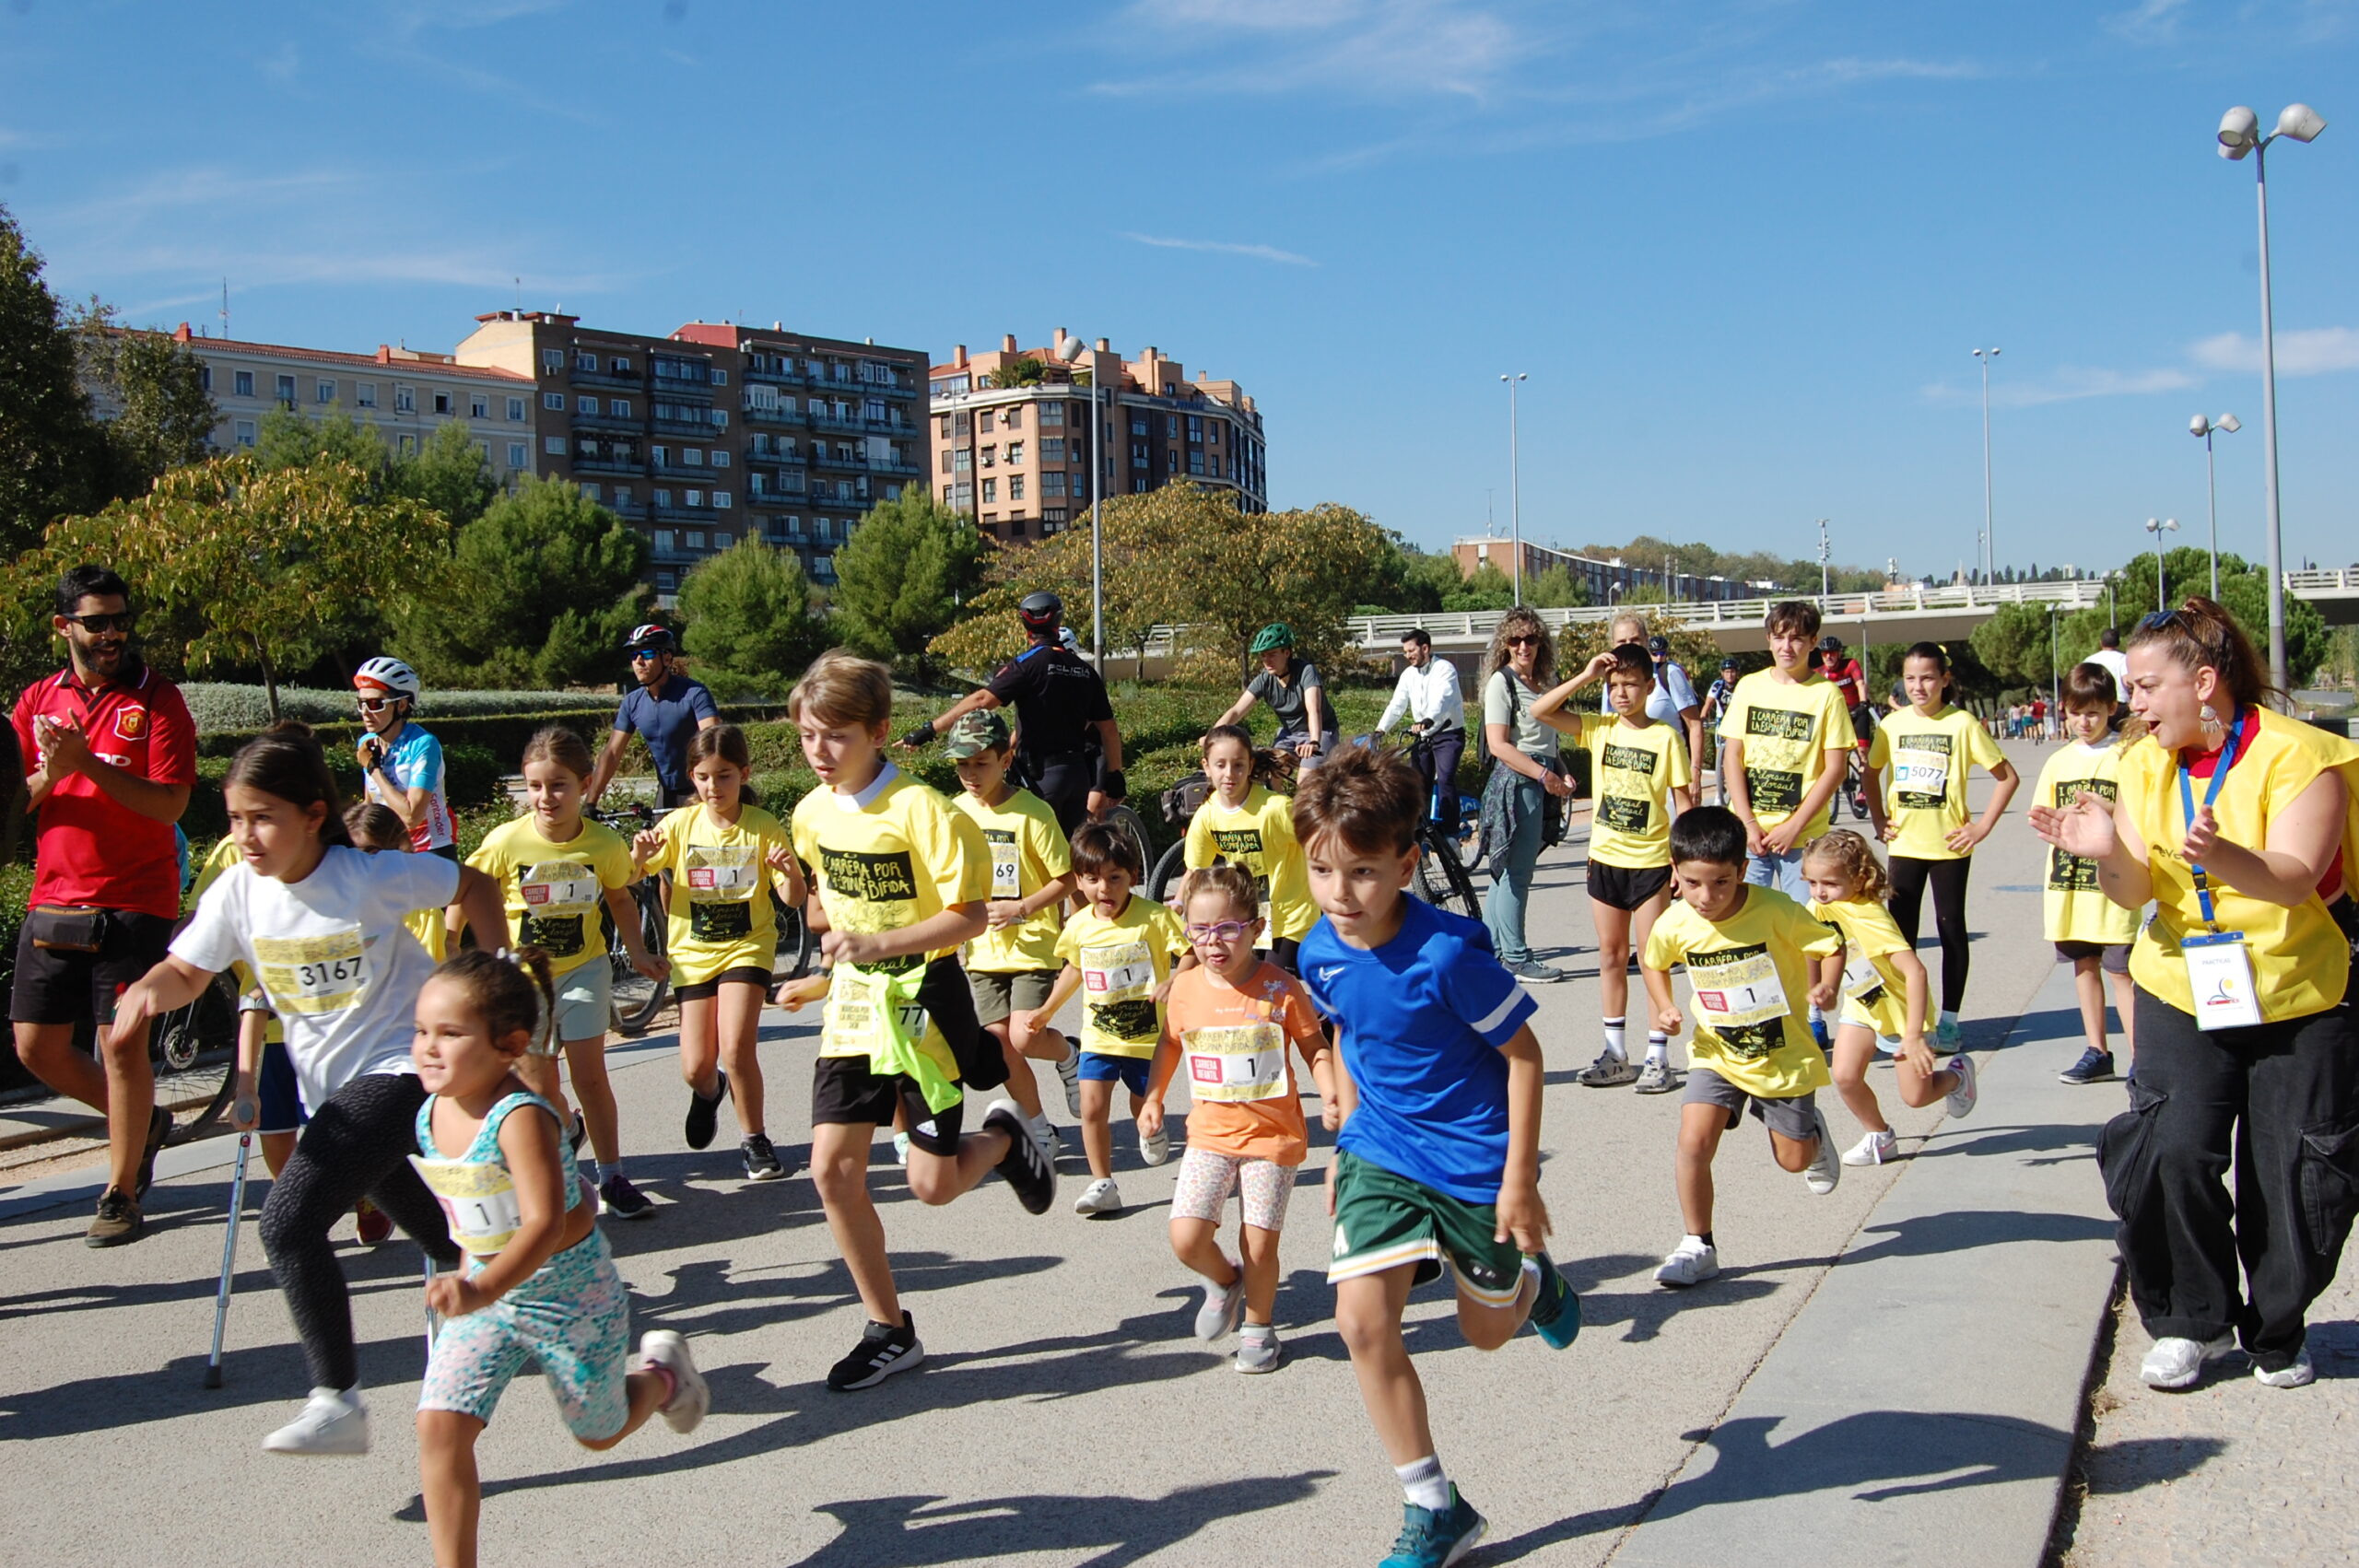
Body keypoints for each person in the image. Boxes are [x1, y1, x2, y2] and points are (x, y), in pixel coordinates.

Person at [109, 723, 509, 1453]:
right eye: (235, 818)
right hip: (337, 1095)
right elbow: (188, 972)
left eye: (263, 817)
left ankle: (337, 1401)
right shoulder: (239, 891)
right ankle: (539, 1287)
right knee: (449, 1239)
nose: (246, 835)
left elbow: (475, 885)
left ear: (313, 814)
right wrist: (144, 993)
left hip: (404, 1070)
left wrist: (499, 975)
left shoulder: (366, 876)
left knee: (287, 1224)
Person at [2033, 599, 2359, 1391]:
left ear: (2204, 682)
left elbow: (2293, 880)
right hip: (2182, 982)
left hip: (2300, 992)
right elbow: (2136, 889)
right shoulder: (2142, 764)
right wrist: (2105, 852)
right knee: (2168, 1148)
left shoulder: (2302, 756)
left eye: (2147, 688)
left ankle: (2277, 1329)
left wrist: (2224, 856)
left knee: (2295, 1173)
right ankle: (2191, 1320)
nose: (2134, 705)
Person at [1296, 743, 1578, 1568]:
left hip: (1474, 1163)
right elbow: (1350, 1034)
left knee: (1483, 1333)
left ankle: (1533, 1284)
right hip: (1381, 1149)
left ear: (1407, 863)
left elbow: (1525, 1058)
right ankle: (1433, 1504)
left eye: (1362, 873)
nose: (1340, 894)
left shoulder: (1447, 957)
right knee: (1360, 1322)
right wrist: (1346, 1140)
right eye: (1321, 871)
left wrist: (1519, 1182)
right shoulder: (1317, 949)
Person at [788, 649, 1055, 1392]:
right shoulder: (810, 814)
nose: (819, 751)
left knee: (933, 1186)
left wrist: (879, 944)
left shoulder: (924, 812)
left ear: (878, 732)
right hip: (853, 1007)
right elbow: (827, 905)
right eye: (807, 735)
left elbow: (968, 917)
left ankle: (1003, 1141)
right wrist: (822, 969)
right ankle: (890, 1329)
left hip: (924, 1004)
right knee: (831, 1171)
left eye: (836, 736)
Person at [412, 948, 707, 1568]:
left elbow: (546, 1222)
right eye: (421, 1031)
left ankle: (663, 1378)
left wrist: (479, 1288)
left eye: (450, 1034)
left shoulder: (519, 1117)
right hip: (487, 1295)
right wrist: (470, 1279)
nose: (429, 1048)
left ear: (509, 1044)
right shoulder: (428, 1113)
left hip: (570, 1296)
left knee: (598, 1432)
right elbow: (469, 1212)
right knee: (439, 1426)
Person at [11, 564, 196, 1246]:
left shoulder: (158, 699)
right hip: (55, 899)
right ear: (64, 627)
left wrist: (86, 765)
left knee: (121, 1045)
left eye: (120, 620)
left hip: (135, 901)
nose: (113, 633)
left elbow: (170, 803)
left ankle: (120, 1194)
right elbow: (12, 803)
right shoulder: (37, 700)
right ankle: (143, 1124)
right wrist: (52, 772)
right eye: (97, 623)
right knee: (36, 1048)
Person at [1137, 863, 1338, 1374]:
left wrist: (1331, 1091)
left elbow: (1314, 1045)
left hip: (1273, 1137)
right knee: (1186, 1237)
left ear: (1257, 928)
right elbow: (1170, 1043)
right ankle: (1226, 1281)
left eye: (1227, 928)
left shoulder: (1281, 988)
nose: (1213, 942)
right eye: (1200, 930)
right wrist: (1154, 1097)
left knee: (1260, 1243)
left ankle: (1258, 1326)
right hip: (1210, 1134)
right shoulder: (1185, 989)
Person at [1641, 805, 1848, 1289]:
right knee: (1693, 1141)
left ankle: (1812, 1135)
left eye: (1720, 883)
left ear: (1741, 871)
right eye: (1693, 883)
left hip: (1781, 1057)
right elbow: (1654, 961)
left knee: (1793, 1160)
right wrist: (1664, 1005)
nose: (1706, 896)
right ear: (1675, 872)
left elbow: (1831, 945)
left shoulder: (1777, 911)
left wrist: (1828, 987)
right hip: (1715, 1053)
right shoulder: (1675, 922)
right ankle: (1698, 1244)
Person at [467, 727, 668, 1216]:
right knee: (539, 1086)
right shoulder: (505, 841)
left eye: (558, 785)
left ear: (585, 784)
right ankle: (566, 1138)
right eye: (535, 786)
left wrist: (639, 953)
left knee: (590, 1075)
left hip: (585, 970)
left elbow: (620, 897)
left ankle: (612, 1176)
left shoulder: (602, 844)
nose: (545, 797)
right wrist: (456, 953)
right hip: (523, 981)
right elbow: (469, 890)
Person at [630, 724, 804, 1183]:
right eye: (704, 777)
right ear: (692, 777)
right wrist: (638, 856)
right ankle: (710, 1092)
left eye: (724, 776)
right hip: (693, 953)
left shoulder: (762, 825)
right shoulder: (679, 825)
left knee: (736, 1046)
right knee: (695, 1068)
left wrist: (790, 873)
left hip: (748, 946)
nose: (714, 787)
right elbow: (630, 877)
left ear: (743, 774)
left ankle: (755, 1139)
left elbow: (792, 898)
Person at [1532, 644, 1695, 1093]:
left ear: (1650, 686)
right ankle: (1615, 1053)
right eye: (1614, 685)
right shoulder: (1598, 728)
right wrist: (1587, 675)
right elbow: (1540, 710)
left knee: (1653, 959)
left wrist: (1682, 861)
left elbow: (1683, 802)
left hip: (1651, 863)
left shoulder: (1666, 737)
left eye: (1631, 685)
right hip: (1605, 859)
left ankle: (1658, 1055)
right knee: (1610, 956)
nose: (1622, 693)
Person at [1020, 821, 1189, 1216]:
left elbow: (1190, 952)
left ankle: (1151, 1124)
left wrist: (1175, 981)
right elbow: (1074, 969)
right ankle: (1103, 1183)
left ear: (1133, 876)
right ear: (1078, 881)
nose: (1104, 889)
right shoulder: (1079, 926)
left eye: (1115, 878)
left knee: (1141, 1105)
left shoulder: (1154, 918)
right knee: (1092, 1107)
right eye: (1093, 879)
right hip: (1099, 1037)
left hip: (1147, 1039)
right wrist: (1046, 1011)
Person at [1863, 642, 2020, 1047]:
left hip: (1949, 847)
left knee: (1951, 929)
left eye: (1928, 678)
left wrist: (1981, 827)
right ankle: (1906, 1019)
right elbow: (1871, 772)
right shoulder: (1892, 725)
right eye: (1910, 678)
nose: (1918, 687)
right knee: (1900, 937)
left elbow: (2008, 777)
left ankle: (1949, 1021)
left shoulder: (1962, 724)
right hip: (1904, 846)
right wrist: (1879, 819)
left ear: (1944, 679)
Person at [942, 709, 1079, 1160]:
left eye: (981, 763)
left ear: (1005, 760)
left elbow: (1068, 878)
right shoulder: (953, 813)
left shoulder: (1032, 812)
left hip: (1033, 945)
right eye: (962, 765)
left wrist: (1022, 907)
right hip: (982, 952)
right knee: (1000, 1046)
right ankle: (1040, 1128)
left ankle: (1068, 1055)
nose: (970, 774)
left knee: (1023, 1036)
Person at [1802, 830, 1975, 1168]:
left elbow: (1916, 972)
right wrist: (1822, 988)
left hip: (1901, 1011)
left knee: (1917, 1097)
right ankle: (1879, 1135)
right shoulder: (1820, 907)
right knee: (1845, 1076)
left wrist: (1913, 1035)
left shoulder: (1871, 918)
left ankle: (1957, 1077)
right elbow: (1816, 947)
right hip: (1862, 1004)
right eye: (1812, 882)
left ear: (1859, 878)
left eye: (1830, 883)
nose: (1820, 892)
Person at [903, 591, 1124, 838]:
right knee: (1071, 854)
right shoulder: (1085, 671)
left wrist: (930, 729)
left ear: (1025, 626)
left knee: (1033, 854)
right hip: (1077, 775)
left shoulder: (1027, 664)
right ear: (1058, 623)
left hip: (1040, 776)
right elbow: (1109, 730)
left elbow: (982, 700)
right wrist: (1115, 775)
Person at [2040, 664, 2145, 1086]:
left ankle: (2141, 1058)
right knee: (2084, 965)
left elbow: (2139, 816)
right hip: (2069, 884)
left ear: (2111, 709)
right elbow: (2043, 813)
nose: (2084, 722)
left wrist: (2106, 810)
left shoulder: (2126, 756)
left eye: (2093, 713)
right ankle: (2097, 1050)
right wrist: (2060, 817)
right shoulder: (2058, 761)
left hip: (2114, 884)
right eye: (2076, 713)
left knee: (2121, 970)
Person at [1717, 601, 1857, 906]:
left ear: (1813, 641)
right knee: (1743, 918)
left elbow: (1836, 769)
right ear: (1768, 639)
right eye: (1779, 637)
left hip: (1802, 836)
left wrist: (1794, 826)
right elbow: (1732, 758)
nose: (1786, 647)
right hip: (1749, 834)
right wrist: (1748, 824)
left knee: (1803, 921)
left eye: (1796, 639)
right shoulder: (1749, 687)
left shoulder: (1827, 695)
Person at [1475, 607, 1574, 984]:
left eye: (1530, 639)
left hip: (1538, 778)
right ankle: (1516, 957)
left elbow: (1547, 739)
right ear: (1505, 644)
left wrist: (1560, 769)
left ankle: (1491, 952)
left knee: (1506, 872)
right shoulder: (1502, 683)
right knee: (1516, 873)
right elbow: (1500, 745)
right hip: (1518, 782)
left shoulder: (1545, 682)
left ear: (1540, 642)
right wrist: (1545, 775)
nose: (1523, 646)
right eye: (1515, 639)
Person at [1182, 726, 1316, 973]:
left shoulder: (1276, 808)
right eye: (1220, 765)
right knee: (1247, 984)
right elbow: (1196, 871)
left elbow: (1321, 845)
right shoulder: (1207, 815)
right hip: (1247, 918)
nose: (1229, 774)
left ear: (1250, 765)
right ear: (1206, 766)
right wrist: (1180, 906)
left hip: (1291, 919)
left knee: (1272, 984)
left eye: (1238, 765)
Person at [586, 625, 719, 811]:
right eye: (633, 655)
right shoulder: (632, 702)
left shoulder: (694, 693)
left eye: (647, 653)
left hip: (699, 790)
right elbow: (612, 754)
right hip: (665, 792)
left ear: (667, 658)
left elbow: (713, 743)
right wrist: (590, 802)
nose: (638, 661)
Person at [351, 657, 455, 859]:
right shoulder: (367, 743)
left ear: (401, 705)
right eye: (361, 703)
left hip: (429, 850)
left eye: (375, 704)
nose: (365, 712)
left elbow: (411, 817)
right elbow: (371, 802)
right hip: (389, 851)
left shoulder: (423, 744)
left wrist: (374, 770)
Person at [1597, 615, 1707, 805]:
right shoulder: (1610, 684)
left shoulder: (1668, 674)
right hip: (1629, 785)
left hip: (1671, 782)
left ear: (1646, 640)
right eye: (1621, 641)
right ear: (1612, 644)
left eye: (1635, 639)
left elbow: (1695, 725)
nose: (1629, 645)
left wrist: (1695, 772)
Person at [1377, 627, 1466, 835]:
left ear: (1425, 648)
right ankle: (1417, 832)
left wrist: (1428, 720)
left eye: (1411, 651)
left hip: (1448, 733)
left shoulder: (1444, 669)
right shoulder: (1408, 675)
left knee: (1444, 779)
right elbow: (1397, 704)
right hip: (1424, 736)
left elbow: (1443, 698)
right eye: (1405, 652)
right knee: (1416, 783)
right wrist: (1381, 729)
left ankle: (1451, 833)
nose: (1408, 656)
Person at [1216, 623, 1336, 765]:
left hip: (1321, 732)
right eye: (1263, 656)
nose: (1267, 661)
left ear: (1287, 653)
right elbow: (1237, 711)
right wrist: (1213, 735)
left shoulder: (1306, 671)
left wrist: (1314, 742)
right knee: (1270, 769)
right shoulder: (1264, 679)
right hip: (1289, 735)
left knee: (1306, 776)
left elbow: (1314, 710)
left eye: (1272, 654)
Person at [1702, 656, 1741, 800]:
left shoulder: (1741, 685)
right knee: (1720, 752)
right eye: (1727, 672)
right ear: (1722, 673)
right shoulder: (1718, 685)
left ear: (1737, 673)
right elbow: (1708, 704)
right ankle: (1720, 786)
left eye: (1732, 672)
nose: (1730, 675)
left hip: (1738, 721)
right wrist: (1702, 718)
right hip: (1722, 721)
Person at [2087, 626, 2130, 705]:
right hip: (2119, 701)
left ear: (2101, 643)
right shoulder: (2124, 659)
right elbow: (2127, 681)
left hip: (2096, 702)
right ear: (2118, 643)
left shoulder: (2089, 660)